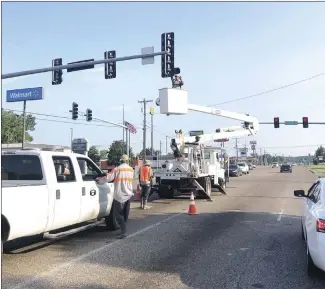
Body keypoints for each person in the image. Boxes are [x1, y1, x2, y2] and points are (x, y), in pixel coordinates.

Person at [96, 154, 134, 239]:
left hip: (119, 195)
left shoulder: (117, 169)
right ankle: (123, 230)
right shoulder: (131, 169)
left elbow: (108, 178)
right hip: (128, 194)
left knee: (118, 214)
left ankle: (123, 232)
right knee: (125, 214)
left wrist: (99, 180)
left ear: (120, 161)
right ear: (127, 161)